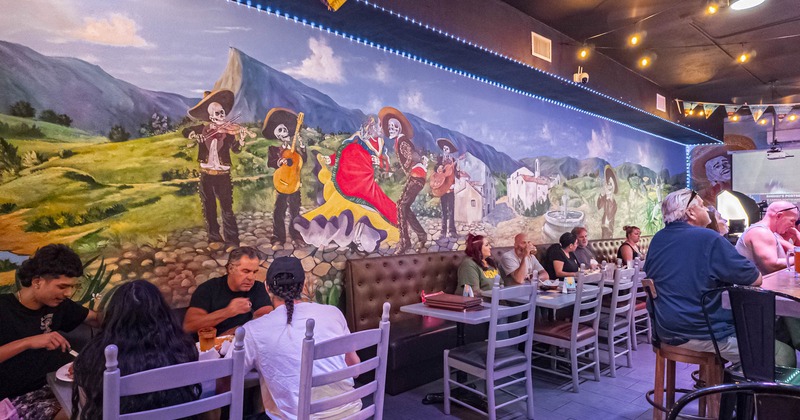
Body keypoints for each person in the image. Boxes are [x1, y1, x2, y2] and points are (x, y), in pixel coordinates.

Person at [643, 189, 794, 366]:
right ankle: (745, 391)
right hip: (701, 332)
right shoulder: (708, 238)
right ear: (690, 213)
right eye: (701, 205)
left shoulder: (658, 238)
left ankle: (731, 383)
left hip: (665, 330)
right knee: (783, 353)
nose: (707, 209)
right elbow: (755, 279)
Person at [235, 256, 361, 419]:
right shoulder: (334, 313)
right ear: (302, 286)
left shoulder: (253, 330)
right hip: (351, 413)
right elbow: (355, 369)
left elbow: (232, 380)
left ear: (267, 287)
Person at [72, 280, 199, 419]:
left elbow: (87, 408)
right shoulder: (182, 348)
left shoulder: (95, 355)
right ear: (163, 313)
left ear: (113, 315)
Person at [0, 244, 100, 419]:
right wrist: (30, 342)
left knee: (107, 398)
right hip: (19, 398)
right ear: (37, 281)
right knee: (80, 412)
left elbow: (96, 319)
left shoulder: (60, 305)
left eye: (72, 287)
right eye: (62, 287)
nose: (68, 293)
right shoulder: (4, 308)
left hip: (59, 386)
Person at [183, 89, 254, 248]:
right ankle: (214, 238)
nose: (221, 116)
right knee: (209, 208)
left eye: (222, 112)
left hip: (223, 175)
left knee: (227, 208)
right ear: (211, 116)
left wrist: (241, 140)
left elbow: (235, 149)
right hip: (206, 174)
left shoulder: (228, 133)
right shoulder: (203, 129)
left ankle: (232, 240)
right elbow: (185, 131)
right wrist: (195, 137)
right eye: (217, 113)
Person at [184, 246, 273, 335]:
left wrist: (239, 330)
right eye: (246, 271)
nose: (251, 277)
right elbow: (189, 326)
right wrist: (228, 311)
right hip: (212, 345)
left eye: (254, 272)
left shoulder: (257, 287)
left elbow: (266, 318)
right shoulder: (208, 289)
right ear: (230, 269)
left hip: (242, 342)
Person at [385, 106, 428, 255]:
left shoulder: (402, 141)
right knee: (405, 206)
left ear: (399, 128)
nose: (390, 129)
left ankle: (405, 241)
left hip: (416, 176)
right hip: (417, 176)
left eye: (393, 127)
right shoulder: (400, 141)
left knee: (400, 206)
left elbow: (412, 157)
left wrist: (414, 165)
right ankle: (421, 235)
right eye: (389, 127)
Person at [264, 107, 307, 247]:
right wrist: (279, 161)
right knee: (279, 211)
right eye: (279, 132)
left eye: (283, 129)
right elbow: (271, 163)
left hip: (294, 184)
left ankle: (296, 236)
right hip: (282, 184)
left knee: (295, 211)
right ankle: (278, 238)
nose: (283, 133)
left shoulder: (296, 149)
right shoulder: (274, 149)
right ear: (276, 136)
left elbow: (301, 162)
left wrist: (302, 148)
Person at [735, 201, 799, 275]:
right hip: (757, 286)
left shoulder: (771, 233)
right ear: (778, 216)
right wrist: (798, 259)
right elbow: (772, 265)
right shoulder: (761, 232)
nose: (793, 226)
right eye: (792, 221)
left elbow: (792, 251)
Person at [434, 138, 460, 240]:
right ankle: (443, 231)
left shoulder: (454, 161)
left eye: (447, 149)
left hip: (451, 187)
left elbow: (456, 174)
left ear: (450, 151)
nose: (445, 150)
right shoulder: (440, 159)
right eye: (444, 149)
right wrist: (438, 168)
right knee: (444, 210)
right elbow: (435, 170)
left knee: (451, 210)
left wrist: (458, 174)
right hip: (442, 188)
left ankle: (452, 231)